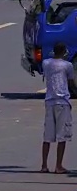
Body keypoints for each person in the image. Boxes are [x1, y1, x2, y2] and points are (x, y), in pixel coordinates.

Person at [40, 42, 73, 174]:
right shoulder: (68, 65)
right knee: (62, 136)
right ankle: (58, 166)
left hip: (49, 101)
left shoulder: (46, 63)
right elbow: (70, 81)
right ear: (64, 51)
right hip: (62, 101)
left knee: (47, 137)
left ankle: (44, 165)